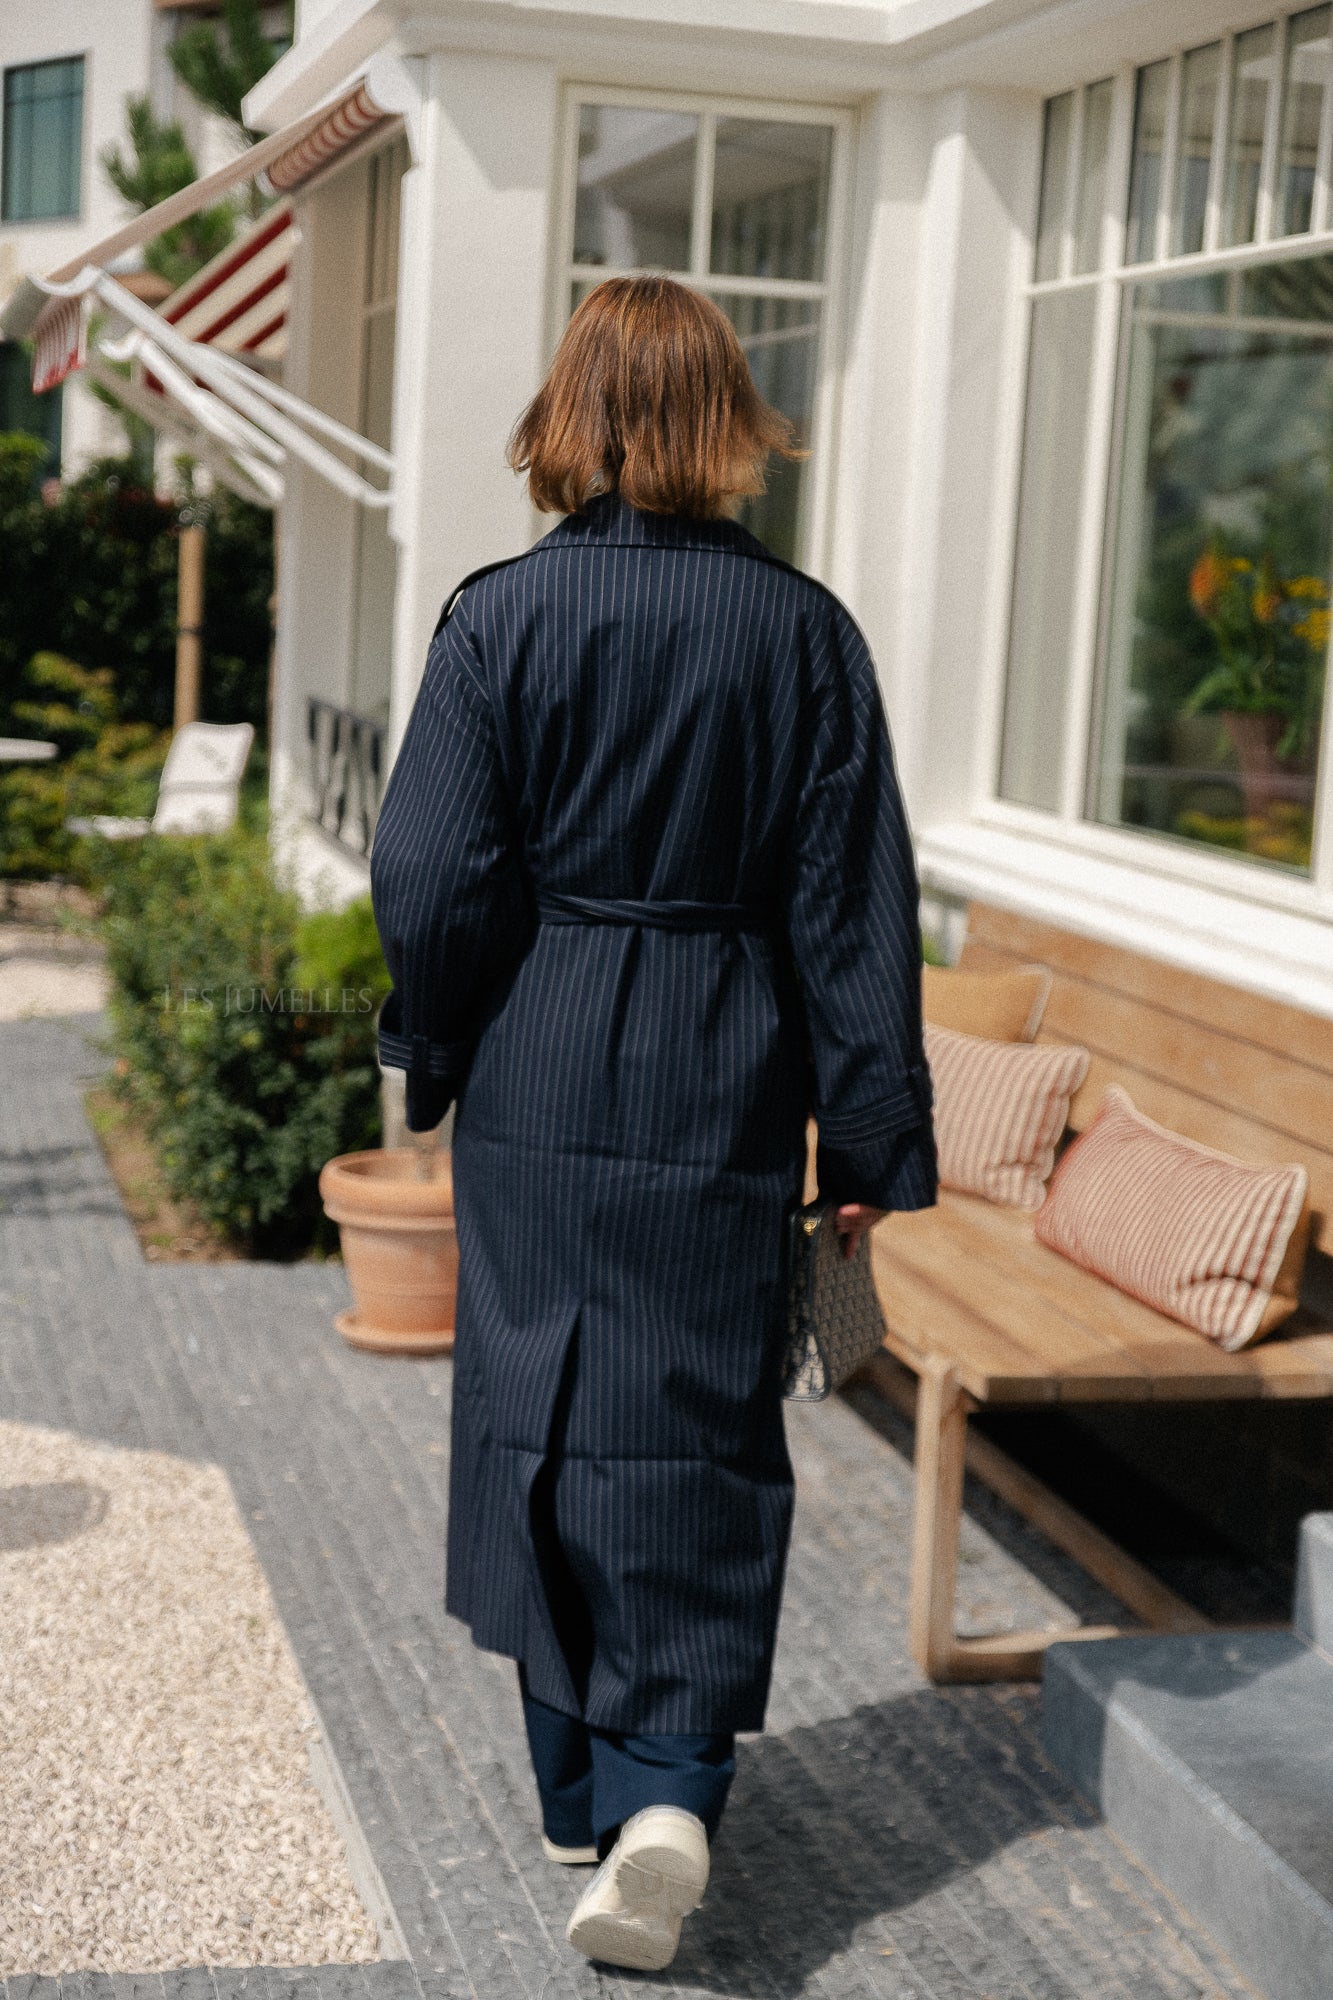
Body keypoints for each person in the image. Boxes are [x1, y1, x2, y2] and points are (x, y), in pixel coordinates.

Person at [370, 274, 936, 1972]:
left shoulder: (495, 620)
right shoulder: (807, 634)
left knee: (533, 1402)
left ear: (579, 417)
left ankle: (572, 1783)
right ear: (723, 421)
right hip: (722, 1069)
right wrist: (869, 1151)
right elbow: (853, 914)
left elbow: (430, 874)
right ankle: (667, 1782)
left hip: (541, 1061)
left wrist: (437, 1045)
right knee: (689, 1415)